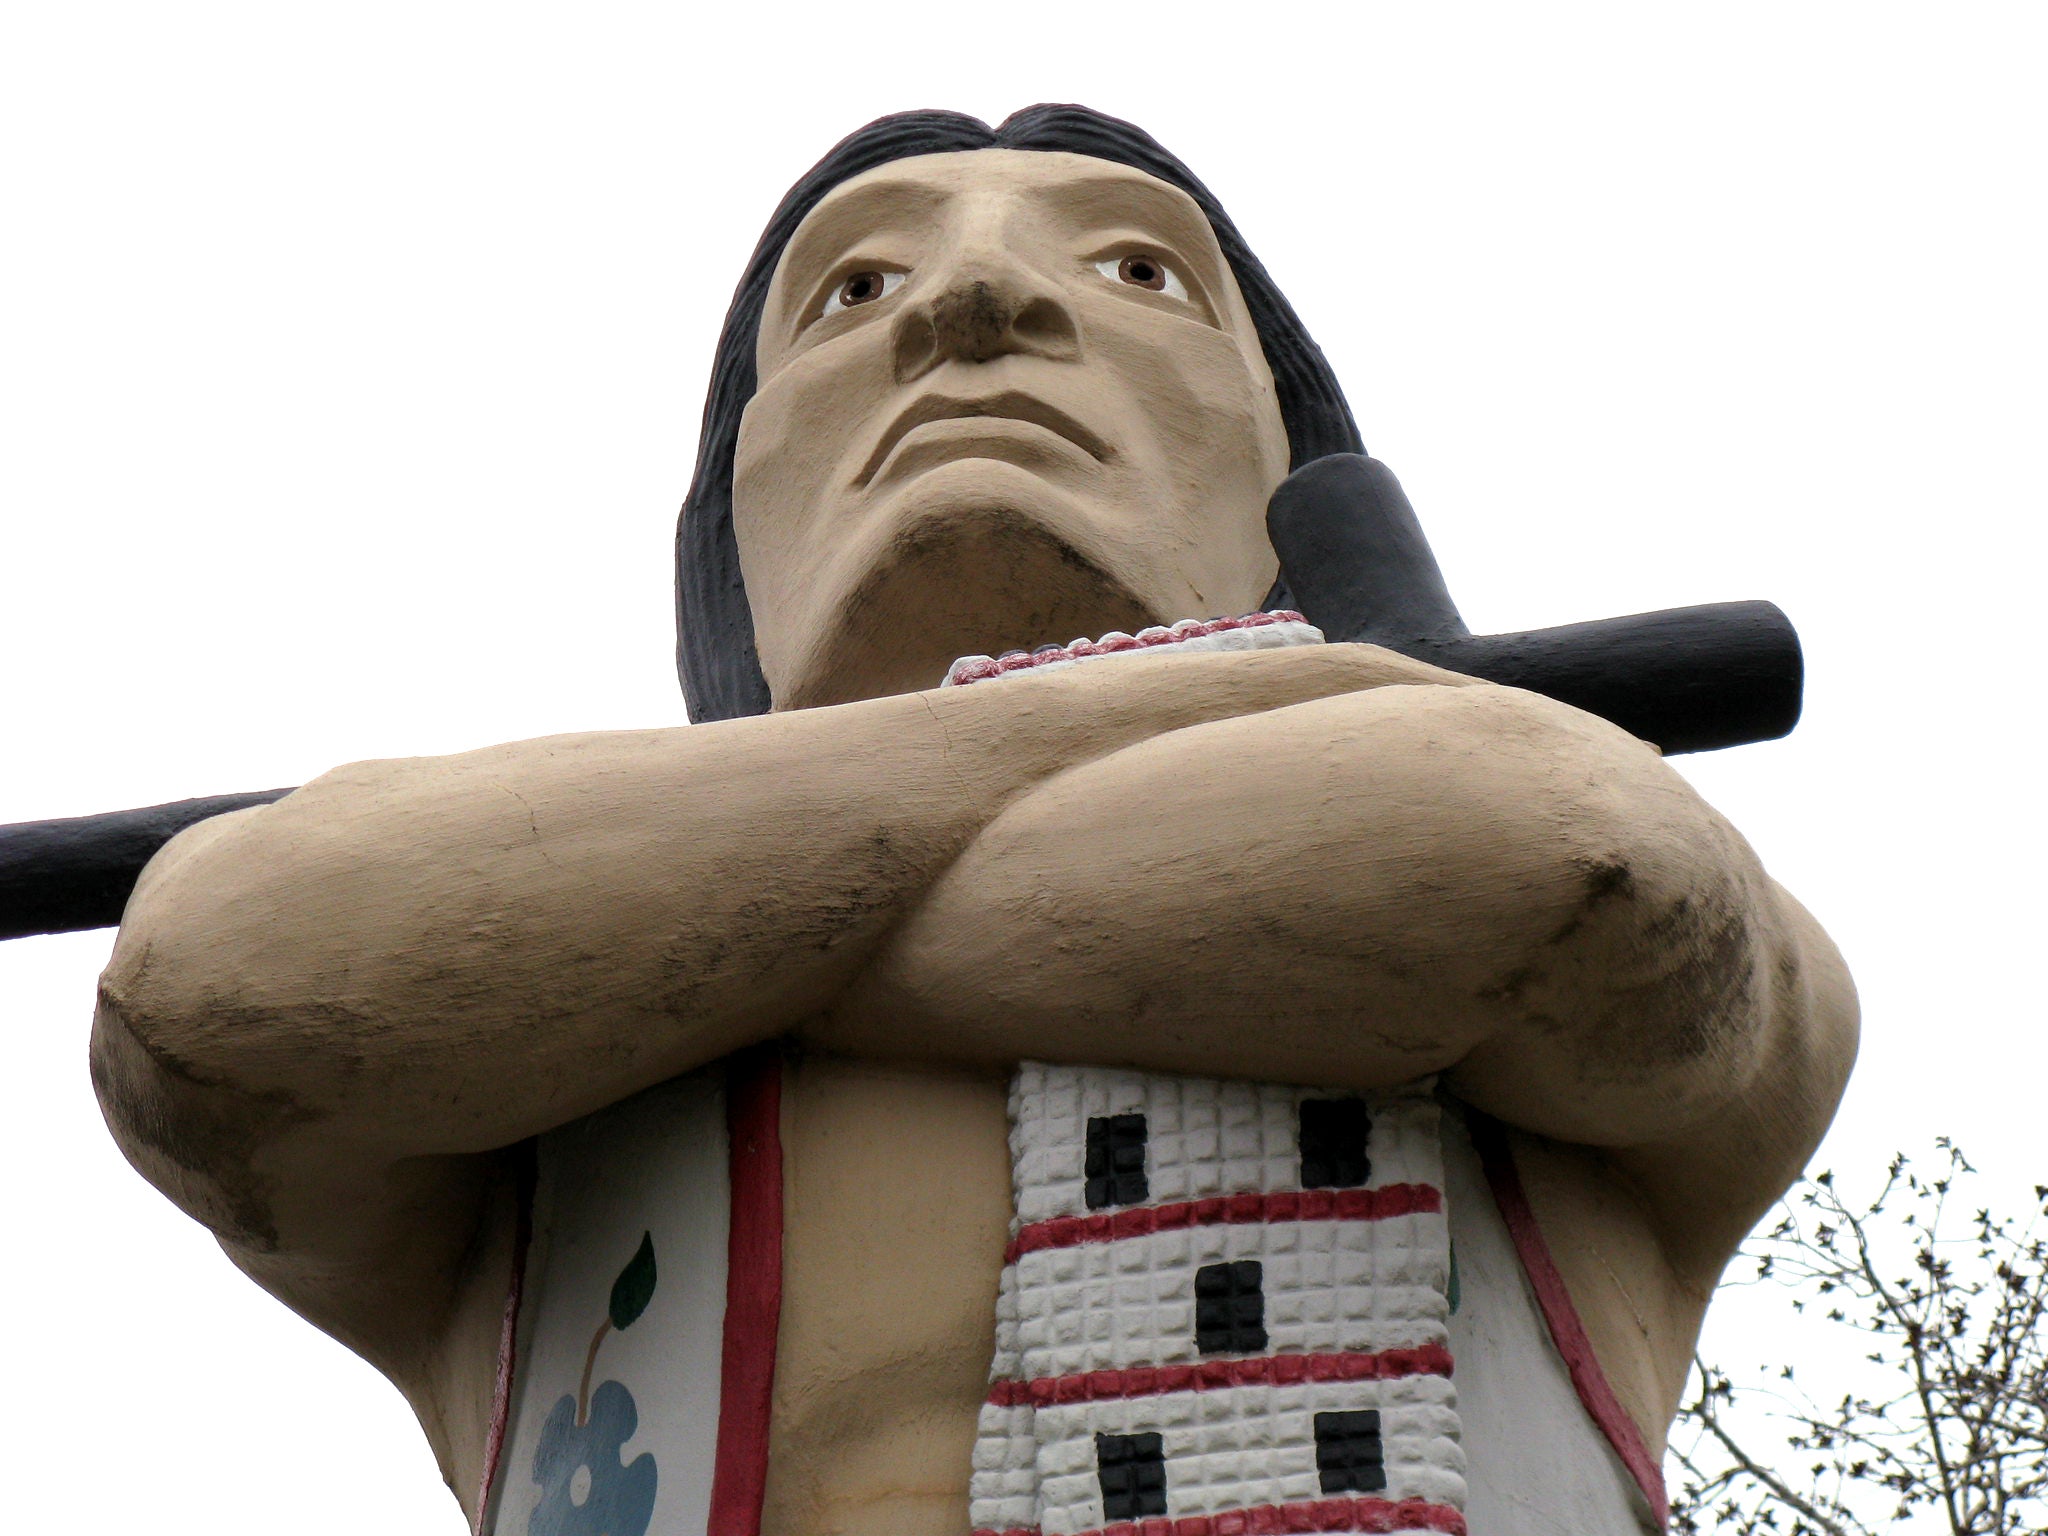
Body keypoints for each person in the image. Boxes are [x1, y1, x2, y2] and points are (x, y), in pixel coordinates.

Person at [89, 106, 1857, 1536]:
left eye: (1139, 270)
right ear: (737, 526)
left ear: (1284, 472)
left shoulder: (536, 1039)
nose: (978, 301)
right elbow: (223, 981)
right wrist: (1213, 712)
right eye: (853, 290)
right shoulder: (495, 1177)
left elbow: (1542, 848)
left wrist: (733, 916)